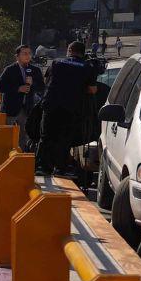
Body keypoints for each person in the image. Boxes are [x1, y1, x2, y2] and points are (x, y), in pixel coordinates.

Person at [34, 39, 104, 183]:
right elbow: (92, 89)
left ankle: (41, 166)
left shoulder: (56, 63)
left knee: (46, 136)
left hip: (51, 105)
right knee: (64, 138)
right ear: (82, 54)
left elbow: (48, 81)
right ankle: (60, 168)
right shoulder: (86, 67)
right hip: (71, 107)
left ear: (70, 51)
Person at [0, 45, 36, 128]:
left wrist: (33, 84)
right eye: (24, 53)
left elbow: (42, 87)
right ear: (17, 57)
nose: (28, 55)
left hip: (27, 110)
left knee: (24, 137)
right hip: (11, 110)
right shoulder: (9, 70)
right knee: (7, 136)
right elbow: (0, 87)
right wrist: (18, 89)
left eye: (29, 53)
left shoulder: (35, 70)